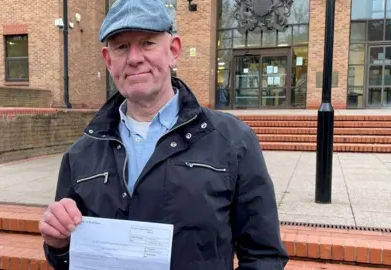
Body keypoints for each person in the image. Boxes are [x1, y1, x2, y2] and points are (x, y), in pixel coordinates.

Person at [39, 0, 289, 269]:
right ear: (108, 60)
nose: (134, 58)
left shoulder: (232, 141)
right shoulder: (80, 154)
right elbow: (72, 259)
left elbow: (264, 255)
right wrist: (59, 245)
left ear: (173, 51)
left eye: (147, 43)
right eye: (122, 47)